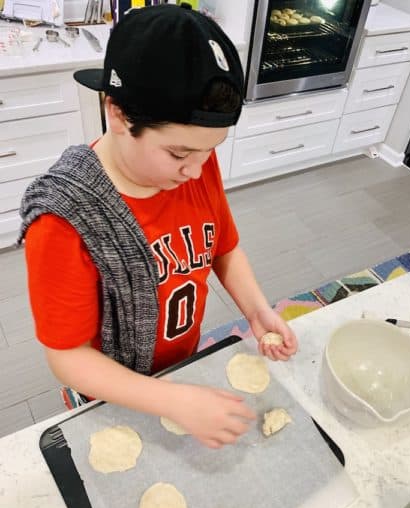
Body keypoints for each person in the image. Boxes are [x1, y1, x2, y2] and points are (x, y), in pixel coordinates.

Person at [19, 4, 298, 449]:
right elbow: (67, 355)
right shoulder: (63, 219)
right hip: (114, 387)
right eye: (178, 153)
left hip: (178, 364)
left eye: (210, 151)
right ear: (117, 112)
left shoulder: (195, 164)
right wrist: (172, 400)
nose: (196, 169)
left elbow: (223, 248)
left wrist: (258, 311)